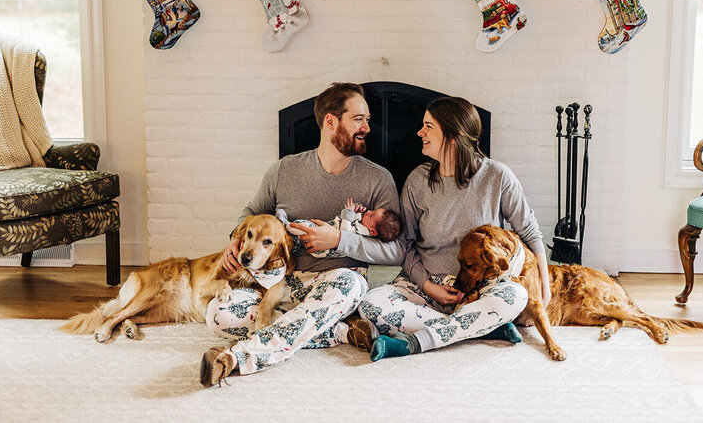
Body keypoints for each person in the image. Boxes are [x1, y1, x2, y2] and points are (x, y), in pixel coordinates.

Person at [200, 82, 405, 386]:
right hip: (281, 284)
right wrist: (236, 239)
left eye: (368, 119)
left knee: (348, 283)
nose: (367, 128)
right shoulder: (285, 170)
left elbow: (398, 250)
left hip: (337, 283)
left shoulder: (378, 179)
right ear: (331, 121)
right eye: (358, 119)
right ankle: (342, 331)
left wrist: (339, 240)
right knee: (218, 314)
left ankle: (239, 356)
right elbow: (249, 213)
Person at [359, 96, 550, 361]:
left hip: (481, 290)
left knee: (515, 296)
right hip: (426, 286)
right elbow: (407, 245)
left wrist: (545, 285)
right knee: (370, 304)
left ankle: (415, 342)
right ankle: (479, 327)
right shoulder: (417, 181)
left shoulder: (497, 176)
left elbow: (530, 232)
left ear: (452, 134)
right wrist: (427, 285)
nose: (420, 132)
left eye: (428, 126)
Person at [279, 198, 402, 258]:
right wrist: (357, 209)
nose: (369, 211)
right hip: (321, 238)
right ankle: (291, 245)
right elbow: (357, 217)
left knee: (305, 226)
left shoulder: (363, 232)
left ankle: (284, 225)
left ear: (373, 231)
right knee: (298, 239)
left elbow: (346, 233)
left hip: (323, 248)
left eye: (371, 215)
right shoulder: (364, 224)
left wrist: (348, 214)